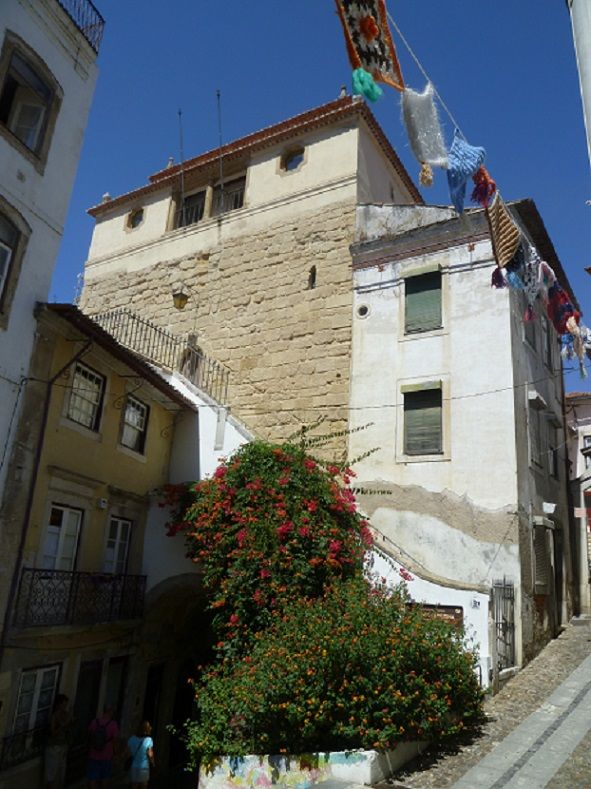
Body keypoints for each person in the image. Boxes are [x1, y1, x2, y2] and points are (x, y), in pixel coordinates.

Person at [87, 704, 119, 788]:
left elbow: (90, 735)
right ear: (111, 712)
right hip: (107, 755)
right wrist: (115, 754)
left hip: (93, 754)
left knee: (93, 778)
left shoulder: (94, 721)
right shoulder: (113, 724)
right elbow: (115, 741)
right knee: (105, 778)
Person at [44, 694, 71, 789]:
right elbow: (52, 732)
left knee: (60, 774)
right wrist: (63, 725)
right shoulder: (54, 716)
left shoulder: (66, 714)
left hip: (63, 746)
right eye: (64, 704)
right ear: (58, 704)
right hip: (53, 747)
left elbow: (67, 730)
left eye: (66, 704)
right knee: (51, 774)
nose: (65, 707)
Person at [126, 720, 154, 789]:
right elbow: (150, 754)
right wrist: (153, 763)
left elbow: (128, 753)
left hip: (134, 767)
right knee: (143, 786)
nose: (151, 728)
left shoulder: (132, 739)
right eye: (149, 727)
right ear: (146, 729)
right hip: (144, 767)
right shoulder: (149, 740)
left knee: (134, 786)